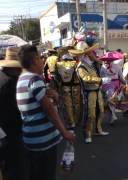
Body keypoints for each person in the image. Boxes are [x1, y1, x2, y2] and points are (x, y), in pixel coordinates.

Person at [16, 45, 75, 180]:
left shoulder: (22, 78)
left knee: (36, 175)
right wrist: (64, 132)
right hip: (43, 141)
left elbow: (38, 103)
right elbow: (48, 109)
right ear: (35, 60)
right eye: (40, 58)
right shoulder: (34, 79)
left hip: (31, 139)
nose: (43, 61)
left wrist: (52, 95)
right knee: (46, 175)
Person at [72, 41, 110, 143]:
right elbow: (86, 78)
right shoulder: (81, 66)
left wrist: (94, 58)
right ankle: (87, 134)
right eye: (89, 52)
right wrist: (101, 80)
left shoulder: (92, 63)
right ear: (84, 54)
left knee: (101, 111)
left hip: (97, 90)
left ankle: (98, 129)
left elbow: (100, 63)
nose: (92, 53)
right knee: (90, 114)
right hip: (89, 92)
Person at [0, 47, 23, 180]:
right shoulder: (11, 83)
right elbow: (19, 110)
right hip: (12, 133)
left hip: (4, 131)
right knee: (16, 168)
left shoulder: (3, 77)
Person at [55, 47, 81, 129]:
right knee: (77, 104)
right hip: (75, 86)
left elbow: (57, 77)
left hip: (65, 86)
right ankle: (77, 120)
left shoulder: (58, 64)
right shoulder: (75, 63)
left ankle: (71, 122)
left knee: (68, 105)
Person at [99, 51, 126, 124]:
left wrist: (125, 83)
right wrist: (124, 83)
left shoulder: (103, 67)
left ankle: (113, 116)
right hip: (112, 85)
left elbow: (101, 77)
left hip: (109, 85)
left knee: (110, 101)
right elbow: (121, 77)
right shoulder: (105, 67)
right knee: (111, 101)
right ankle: (112, 116)